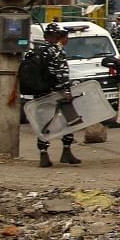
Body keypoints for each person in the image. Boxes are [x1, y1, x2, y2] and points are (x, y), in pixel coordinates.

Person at [27, 23, 81, 168]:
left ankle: (43, 154)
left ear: (45, 36)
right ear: (56, 36)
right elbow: (62, 75)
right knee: (71, 120)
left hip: (40, 94)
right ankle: (66, 151)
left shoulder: (35, 51)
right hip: (57, 93)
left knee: (43, 124)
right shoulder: (57, 52)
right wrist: (67, 92)